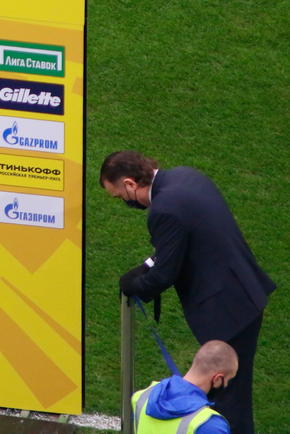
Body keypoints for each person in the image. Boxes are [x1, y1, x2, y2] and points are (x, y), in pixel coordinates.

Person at [101, 151, 276, 434]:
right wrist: (145, 266)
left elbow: (164, 274)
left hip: (226, 310)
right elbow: (180, 243)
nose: (123, 201)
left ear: (131, 184)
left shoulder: (164, 209)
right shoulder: (186, 176)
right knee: (234, 395)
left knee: (229, 401)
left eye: (119, 195)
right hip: (242, 293)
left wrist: (134, 286)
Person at [132, 340, 238, 433]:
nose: (226, 385)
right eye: (228, 380)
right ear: (217, 378)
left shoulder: (142, 397)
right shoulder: (209, 425)